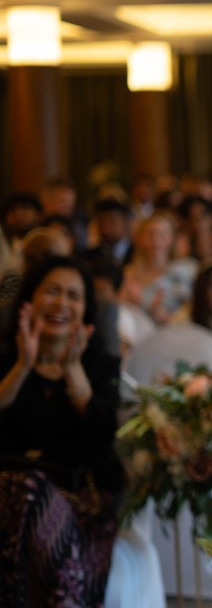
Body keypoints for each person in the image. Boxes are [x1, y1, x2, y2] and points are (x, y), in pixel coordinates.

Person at [0, 256, 123, 606]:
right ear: (30, 300)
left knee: (30, 491)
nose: (62, 303)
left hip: (79, 504)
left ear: (85, 311)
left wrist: (72, 370)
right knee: (23, 492)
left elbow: (102, 437)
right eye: (52, 291)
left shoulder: (101, 366)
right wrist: (23, 366)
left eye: (73, 295)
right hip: (6, 498)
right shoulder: (6, 358)